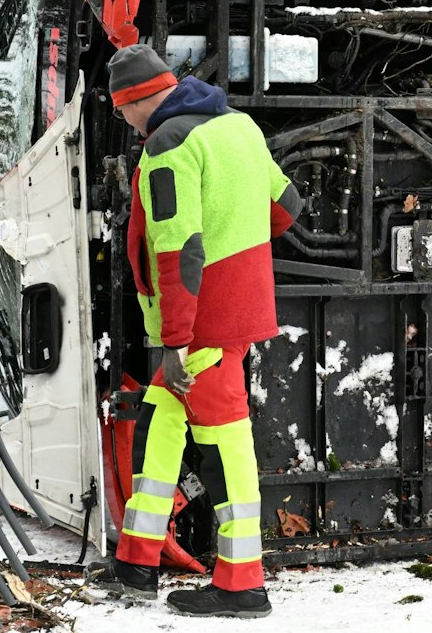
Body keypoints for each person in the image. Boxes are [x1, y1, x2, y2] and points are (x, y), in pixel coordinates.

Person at [95, 43, 301, 619]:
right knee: (161, 422)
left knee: (225, 444)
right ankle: (137, 561)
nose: (124, 122)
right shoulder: (238, 128)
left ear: (137, 99)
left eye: (121, 110)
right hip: (228, 313)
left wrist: (176, 341)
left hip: (196, 325)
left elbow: (177, 250)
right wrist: (240, 245)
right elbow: (287, 204)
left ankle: (242, 586)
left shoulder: (167, 145)